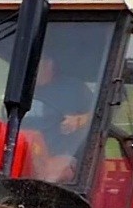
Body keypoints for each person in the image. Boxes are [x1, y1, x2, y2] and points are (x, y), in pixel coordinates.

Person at [28, 55, 97, 183]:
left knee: (50, 177)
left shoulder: (74, 88)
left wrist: (79, 120)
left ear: (49, 64)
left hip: (61, 155)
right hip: (27, 152)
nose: (31, 69)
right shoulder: (23, 89)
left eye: (36, 64)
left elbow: (100, 112)